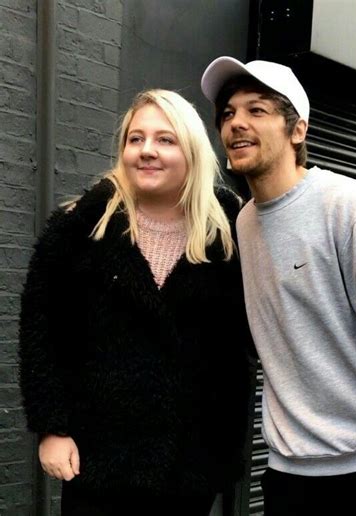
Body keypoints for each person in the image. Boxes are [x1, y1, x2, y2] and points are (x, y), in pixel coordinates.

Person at [201, 56, 356, 515]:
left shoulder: (347, 207)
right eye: (228, 113)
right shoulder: (245, 223)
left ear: (298, 130)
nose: (236, 123)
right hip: (287, 475)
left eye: (257, 110)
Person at [19, 88, 253, 516]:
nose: (147, 151)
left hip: (190, 463)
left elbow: (246, 344)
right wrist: (51, 428)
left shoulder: (235, 232)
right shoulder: (77, 230)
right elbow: (41, 337)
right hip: (97, 458)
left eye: (165, 139)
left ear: (192, 151)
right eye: (135, 138)